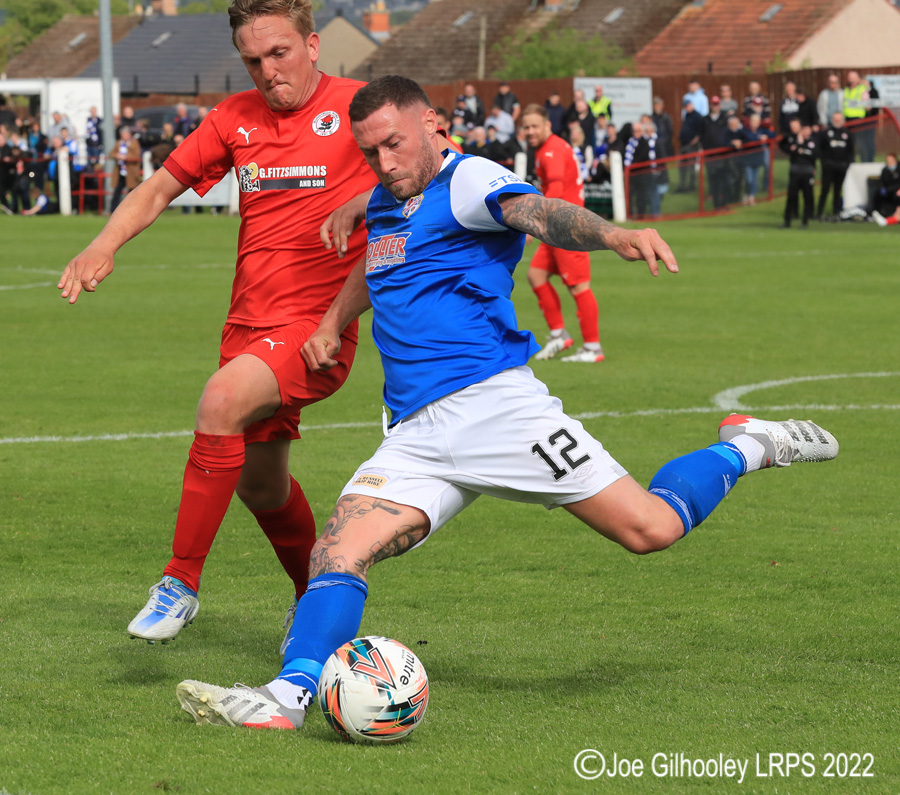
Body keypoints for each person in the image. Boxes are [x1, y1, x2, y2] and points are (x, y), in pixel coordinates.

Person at [173, 75, 840, 729]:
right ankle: (289, 697)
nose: (383, 162)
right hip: (415, 434)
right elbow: (376, 261)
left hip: (497, 411)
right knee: (338, 549)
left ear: (433, 125)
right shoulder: (386, 196)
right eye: (370, 152)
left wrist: (612, 235)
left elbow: (537, 212)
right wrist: (329, 322)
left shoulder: (468, 180)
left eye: (395, 144)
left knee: (651, 529)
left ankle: (749, 442)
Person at [57, 0, 381, 646]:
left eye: (281, 53)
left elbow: (432, 180)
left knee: (219, 401)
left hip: (316, 332)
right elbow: (158, 187)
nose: (268, 71)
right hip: (247, 329)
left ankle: (179, 581)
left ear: (314, 45)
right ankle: (318, 605)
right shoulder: (234, 118)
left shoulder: (360, 110)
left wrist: (365, 226)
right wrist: (103, 243)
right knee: (262, 488)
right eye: (254, 60)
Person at [521, 104, 604, 364]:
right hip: (556, 226)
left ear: (548, 125)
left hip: (568, 227)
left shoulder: (551, 151)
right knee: (536, 275)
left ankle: (593, 348)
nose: (530, 131)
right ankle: (559, 335)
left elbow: (555, 191)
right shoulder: (547, 148)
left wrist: (534, 222)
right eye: (526, 127)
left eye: (535, 126)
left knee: (579, 287)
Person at [780, 123, 818, 229]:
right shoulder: (795, 140)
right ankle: (787, 220)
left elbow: (813, 155)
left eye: (808, 130)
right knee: (791, 197)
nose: (806, 132)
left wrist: (801, 150)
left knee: (807, 197)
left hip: (807, 173)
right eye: (804, 130)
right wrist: (799, 147)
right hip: (795, 172)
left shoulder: (813, 142)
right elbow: (791, 151)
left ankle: (805, 220)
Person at [817, 112, 853, 220]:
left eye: (839, 119)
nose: (837, 121)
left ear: (843, 120)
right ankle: (818, 213)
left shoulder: (847, 134)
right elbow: (820, 149)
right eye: (835, 119)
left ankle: (836, 213)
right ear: (832, 120)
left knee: (837, 191)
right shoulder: (825, 133)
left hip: (841, 167)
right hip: (828, 167)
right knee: (825, 190)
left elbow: (850, 151)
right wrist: (824, 163)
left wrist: (846, 164)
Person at [108, 126, 142, 212]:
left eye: (124, 134)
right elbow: (111, 153)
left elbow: (136, 155)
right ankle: (113, 210)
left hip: (131, 171)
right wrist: (117, 155)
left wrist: (125, 157)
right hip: (121, 170)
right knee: (117, 190)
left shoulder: (134, 143)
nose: (123, 136)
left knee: (132, 191)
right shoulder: (119, 143)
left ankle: (133, 209)